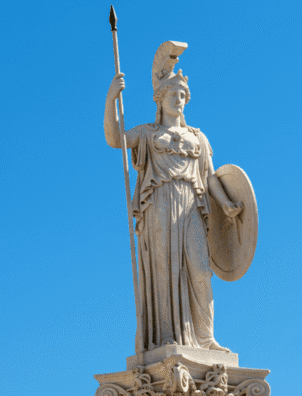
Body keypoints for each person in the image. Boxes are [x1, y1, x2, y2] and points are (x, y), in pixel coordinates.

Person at [104, 44, 243, 354]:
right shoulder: (148, 134)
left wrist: (225, 204)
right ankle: (166, 335)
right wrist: (112, 98)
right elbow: (115, 139)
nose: (179, 100)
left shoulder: (198, 137)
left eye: (183, 96)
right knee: (164, 271)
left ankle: (205, 338)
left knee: (199, 269)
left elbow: (209, 177)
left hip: (191, 207)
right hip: (159, 207)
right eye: (173, 95)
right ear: (161, 99)